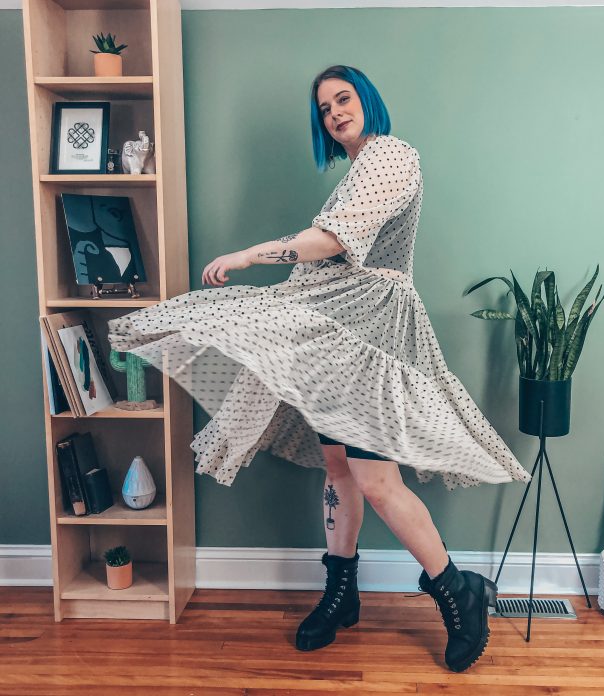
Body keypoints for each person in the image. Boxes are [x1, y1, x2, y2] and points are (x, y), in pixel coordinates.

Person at [107, 64, 532, 673]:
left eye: (343, 99)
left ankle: (458, 593)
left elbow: (332, 241)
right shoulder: (354, 171)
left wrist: (251, 255)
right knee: (338, 468)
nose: (334, 113)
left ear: (368, 101)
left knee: (378, 478)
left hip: (370, 333)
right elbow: (327, 252)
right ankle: (342, 591)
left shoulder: (391, 155)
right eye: (325, 109)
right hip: (336, 332)